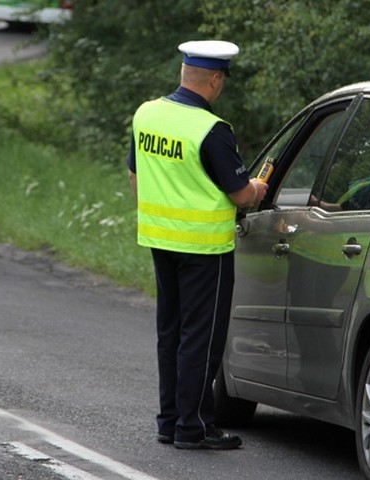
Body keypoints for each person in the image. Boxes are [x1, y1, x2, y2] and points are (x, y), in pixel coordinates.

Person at [127, 40, 268, 450]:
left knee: (170, 331)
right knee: (201, 338)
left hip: (159, 239)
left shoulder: (146, 114)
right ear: (216, 79)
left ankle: (169, 421)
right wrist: (258, 187)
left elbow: (135, 176)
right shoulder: (212, 130)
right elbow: (241, 195)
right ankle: (192, 427)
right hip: (205, 249)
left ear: (183, 73)